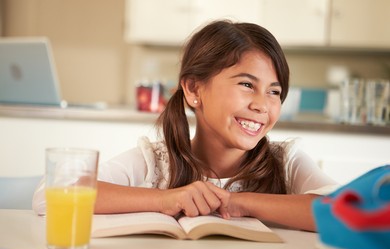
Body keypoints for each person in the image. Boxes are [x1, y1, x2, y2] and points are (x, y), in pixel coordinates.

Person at [33, 20, 338, 232]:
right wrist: (167, 199)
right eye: (247, 84)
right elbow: (51, 194)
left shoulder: (286, 163)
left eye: (274, 91)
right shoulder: (155, 161)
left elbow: (344, 213)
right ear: (193, 89)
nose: (263, 104)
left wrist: (239, 202)